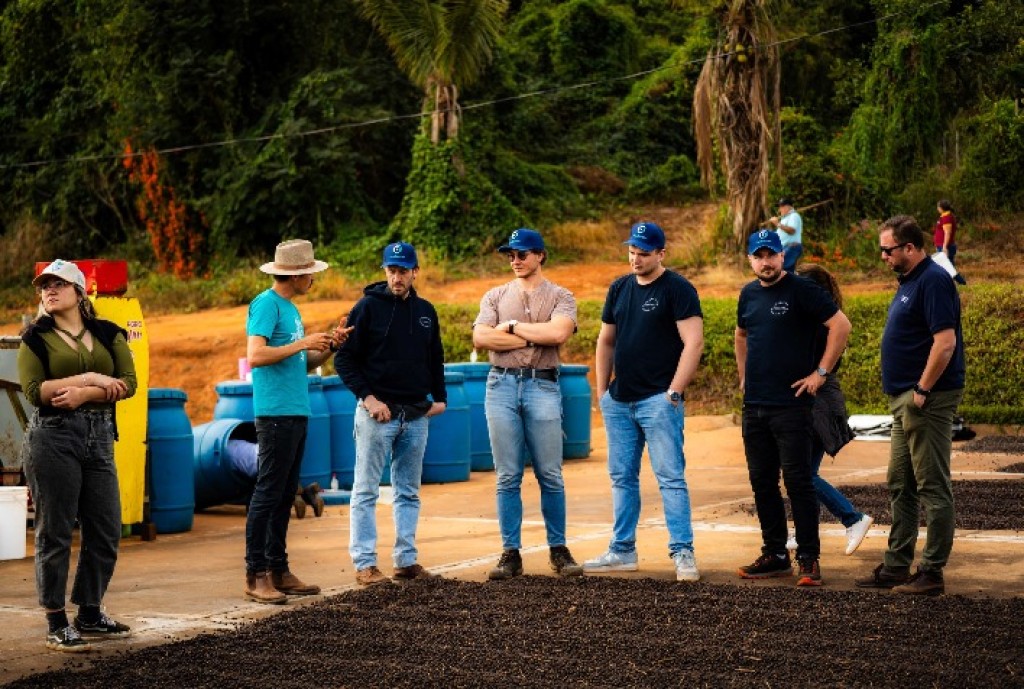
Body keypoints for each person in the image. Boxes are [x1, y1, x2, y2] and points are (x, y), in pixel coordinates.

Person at [18, 260, 137, 652]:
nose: (49, 291)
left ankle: (89, 611)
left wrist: (85, 393)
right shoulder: (35, 337)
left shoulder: (108, 333)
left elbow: (129, 383)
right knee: (54, 531)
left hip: (99, 435)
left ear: (80, 292)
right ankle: (56, 620)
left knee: (106, 526)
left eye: (58, 284)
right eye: (44, 286)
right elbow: (36, 391)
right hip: (53, 436)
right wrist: (91, 378)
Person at [583, 222, 705, 582]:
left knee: (670, 478)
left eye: (644, 253)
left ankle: (682, 551)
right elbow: (606, 341)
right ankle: (622, 550)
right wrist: (602, 392)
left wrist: (674, 392)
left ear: (661, 253)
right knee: (622, 477)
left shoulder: (678, 289)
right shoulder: (619, 288)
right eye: (632, 252)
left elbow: (694, 342)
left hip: (658, 401)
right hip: (620, 401)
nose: (636, 259)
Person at [734, 230, 851, 587]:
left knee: (798, 482)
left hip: (792, 406)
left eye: (771, 255)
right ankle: (775, 553)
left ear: (782, 256)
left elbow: (840, 325)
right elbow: (741, 334)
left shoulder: (802, 290)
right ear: (750, 260)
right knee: (762, 482)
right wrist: (743, 376)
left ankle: (808, 558)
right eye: (759, 256)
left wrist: (820, 373)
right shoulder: (748, 294)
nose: (765, 262)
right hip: (755, 407)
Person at [856, 215, 965, 596]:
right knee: (900, 482)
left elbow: (945, 343)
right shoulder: (911, 281)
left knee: (932, 484)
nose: (883, 256)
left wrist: (922, 388)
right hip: (906, 399)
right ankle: (897, 565)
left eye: (887, 250)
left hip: (926, 399)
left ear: (910, 247)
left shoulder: (933, 280)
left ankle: (932, 571)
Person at [472, 228, 583, 580]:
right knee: (507, 475)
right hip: (500, 385)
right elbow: (481, 337)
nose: (515, 260)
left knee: (550, 473)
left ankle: (558, 549)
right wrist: (534, 336)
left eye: (522, 254)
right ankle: (511, 553)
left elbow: (558, 333)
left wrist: (511, 327)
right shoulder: (494, 295)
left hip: (543, 384)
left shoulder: (561, 296)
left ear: (540, 255)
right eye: (511, 255)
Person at [335, 241, 447, 586]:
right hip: (376, 415)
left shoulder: (426, 311)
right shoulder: (366, 308)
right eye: (391, 270)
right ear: (385, 271)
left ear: (415, 272)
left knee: (408, 491)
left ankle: (406, 560)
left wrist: (440, 398)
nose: (397, 277)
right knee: (366, 490)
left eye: (403, 271)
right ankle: (365, 564)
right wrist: (369, 399)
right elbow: (344, 359)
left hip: (415, 414)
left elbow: (435, 357)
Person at [244, 239, 350, 604]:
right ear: (296, 275)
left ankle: (278, 569)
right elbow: (256, 355)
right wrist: (303, 343)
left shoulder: (289, 309)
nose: (314, 280)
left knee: (284, 494)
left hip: (294, 411)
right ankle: (256, 573)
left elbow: (299, 362)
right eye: (310, 273)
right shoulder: (266, 304)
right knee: (268, 493)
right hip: (275, 413)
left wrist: (330, 346)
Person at [790, 264, 873, 556]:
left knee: (801, 474)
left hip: (819, 401)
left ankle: (852, 518)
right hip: (821, 398)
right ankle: (805, 531)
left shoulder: (820, 324)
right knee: (805, 471)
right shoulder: (822, 320)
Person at [935, 199, 967, 285]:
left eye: (938, 206)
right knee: (946, 265)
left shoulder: (947, 217)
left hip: (946, 245)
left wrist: (944, 246)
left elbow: (947, 232)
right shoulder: (944, 216)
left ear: (942, 207)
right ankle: (955, 281)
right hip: (941, 245)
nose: (937, 208)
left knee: (948, 266)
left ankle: (960, 281)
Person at [768, 197, 803, 273]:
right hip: (784, 248)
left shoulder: (794, 216)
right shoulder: (784, 218)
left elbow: (792, 231)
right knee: (787, 272)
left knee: (779, 268)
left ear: (788, 207)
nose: (779, 209)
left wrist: (777, 224)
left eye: (781, 207)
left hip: (791, 247)